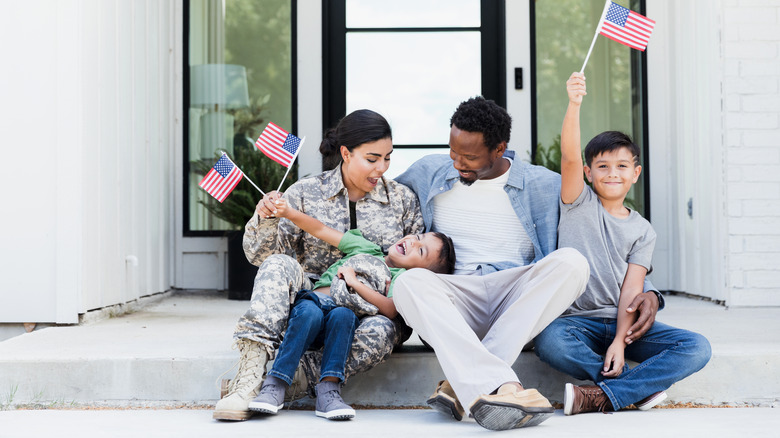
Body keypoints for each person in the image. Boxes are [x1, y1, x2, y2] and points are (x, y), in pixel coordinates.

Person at [392, 96, 591, 431]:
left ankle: (462, 384)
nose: (457, 163)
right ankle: (505, 387)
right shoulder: (428, 171)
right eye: (453, 152)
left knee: (573, 262)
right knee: (408, 283)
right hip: (455, 301)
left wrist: (645, 288)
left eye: (469, 157)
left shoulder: (542, 184)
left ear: (500, 148)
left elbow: (596, 231)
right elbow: (376, 200)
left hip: (515, 301)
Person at [213, 109, 424, 421]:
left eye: (388, 158)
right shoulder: (304, 192)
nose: (382, 167)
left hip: (367, 315)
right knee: (277, 266)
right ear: (345, 153)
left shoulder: (402, 200)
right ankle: (249, 377)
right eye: (372, 158)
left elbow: (415, 271)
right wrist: (265, 218)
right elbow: (263, 257)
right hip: (306, 308)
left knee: (382, 332)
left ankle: (294, 380)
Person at [532, 72, 712, 416]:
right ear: (588, 173)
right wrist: (574, 103)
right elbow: (569, 156)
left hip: (622, 325)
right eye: (602, 166)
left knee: (697, 347)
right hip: (574, 322)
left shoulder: (643, 230)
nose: (612, 173)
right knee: (549, 342)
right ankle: (633, 389)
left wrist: (618, 341)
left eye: (621, 166)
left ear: (635, 173)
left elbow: (632, 290)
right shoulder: (577, 202)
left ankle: (599, 396)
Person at [247, 197, 456, 420]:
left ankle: (329, 392)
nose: (413, 242)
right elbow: (320, 229)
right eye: (418, 237)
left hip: (342, 321)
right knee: (309, 313)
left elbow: (391, 310)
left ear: (420, 272)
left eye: (421, 251)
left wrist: (354, 282)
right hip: (314, 305)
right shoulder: (366, 248)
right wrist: (289, 212)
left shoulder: (401, 278)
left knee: (343, 316)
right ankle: (275, 383)